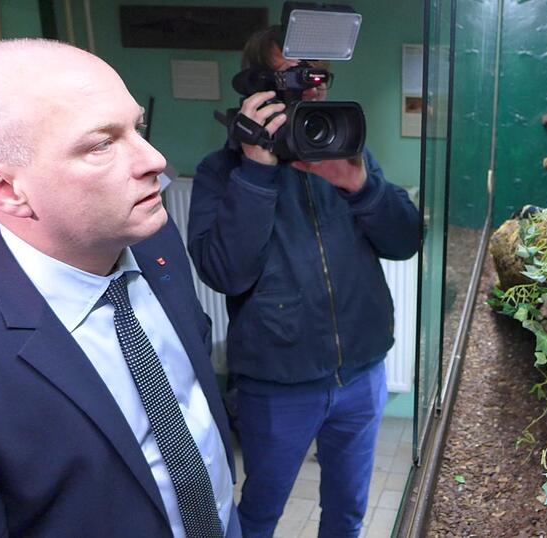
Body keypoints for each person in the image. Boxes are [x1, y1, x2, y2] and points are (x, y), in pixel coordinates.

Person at [0, 39, 240, 538]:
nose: (155, 160)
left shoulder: (152, 232)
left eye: (137, 128)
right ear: (6, 190)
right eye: (101, 144)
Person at [187, 25, 420, 538]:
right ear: (257, 85)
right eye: (296, 74)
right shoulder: (220, 174)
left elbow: (405, 240)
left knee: (348, 512)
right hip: (277, 386)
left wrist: (360, 184)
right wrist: (256, 170)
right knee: (259, 513)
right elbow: (225, 272)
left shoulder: (340, 152)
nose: (312, 86)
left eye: (320, 75)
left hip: (361, 375)